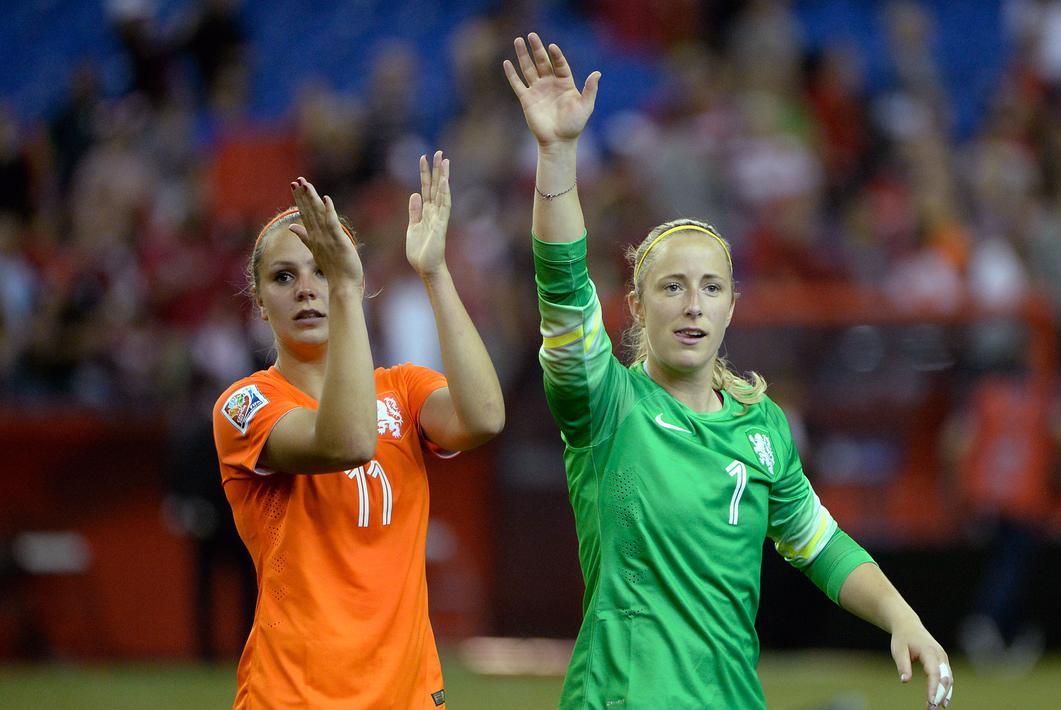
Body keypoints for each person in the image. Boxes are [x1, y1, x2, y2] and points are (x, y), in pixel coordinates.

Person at [503, 33, 953, 709]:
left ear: (732, 307)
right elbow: (562, 287)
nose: (692, 305)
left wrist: (901, 615)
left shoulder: (762, 426)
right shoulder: (603, 404)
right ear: (635, 306)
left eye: (710, 288)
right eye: (671, 287)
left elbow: (818, 543)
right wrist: (557, 155)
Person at [212, 152, 504, 709]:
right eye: (284, 276)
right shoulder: (244, 405)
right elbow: (347, 441)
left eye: (323, 268)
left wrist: (435, 273)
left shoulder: (405, 387)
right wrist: (346, 289)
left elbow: (485, 417)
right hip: (295, 697)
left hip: (409, 693)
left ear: (356, 277)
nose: (306, 288)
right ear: (259, 301)